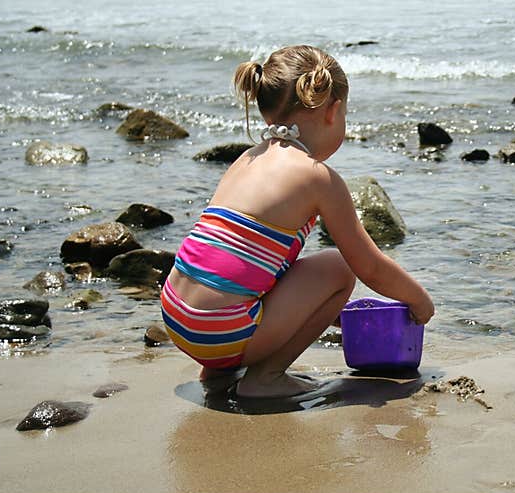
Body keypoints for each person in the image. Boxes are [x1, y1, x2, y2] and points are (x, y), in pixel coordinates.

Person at [160, 45, 434, 398]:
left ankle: (216, 373)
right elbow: (370, 267)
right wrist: (418, 299)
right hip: (220, 332)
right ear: (333, 112)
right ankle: (266, 377)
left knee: (245, 269)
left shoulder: (247, 159)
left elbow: (242, 262)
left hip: (177, 316)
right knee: (339, 268)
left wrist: (316, 310)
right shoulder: (318, 177)